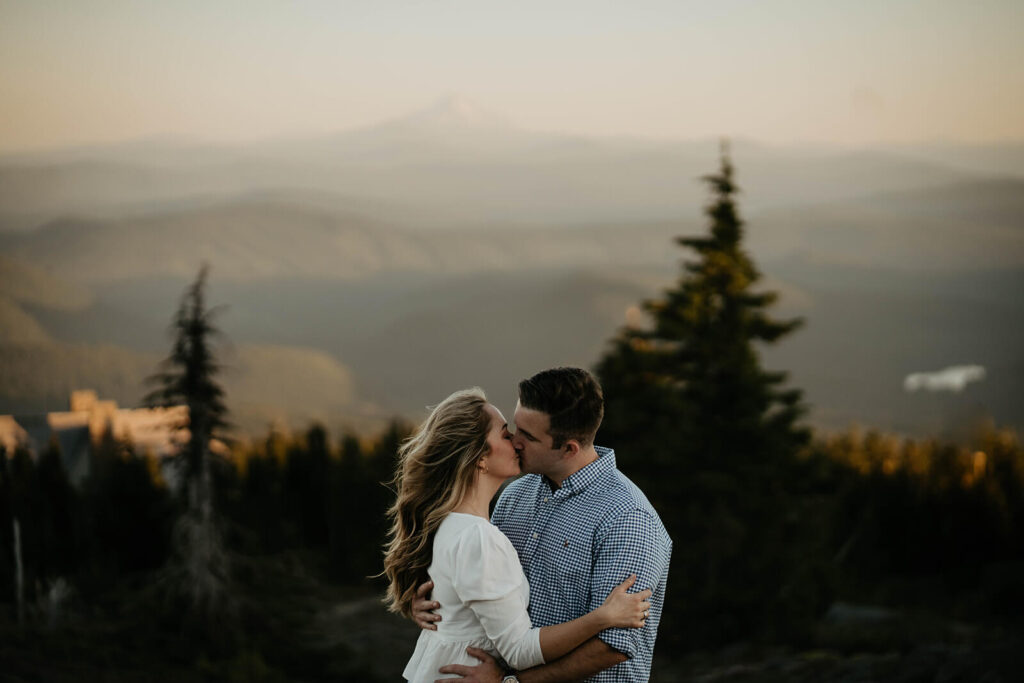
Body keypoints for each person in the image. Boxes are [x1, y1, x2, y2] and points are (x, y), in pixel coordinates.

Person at [412, 368, 673, 682]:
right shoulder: (514, 496)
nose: (514, 440)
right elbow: (486, 591)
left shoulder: (626, 518)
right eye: (514, 427)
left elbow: (613, 646)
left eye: (528, 436)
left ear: (569, 448)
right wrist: (440, 609)